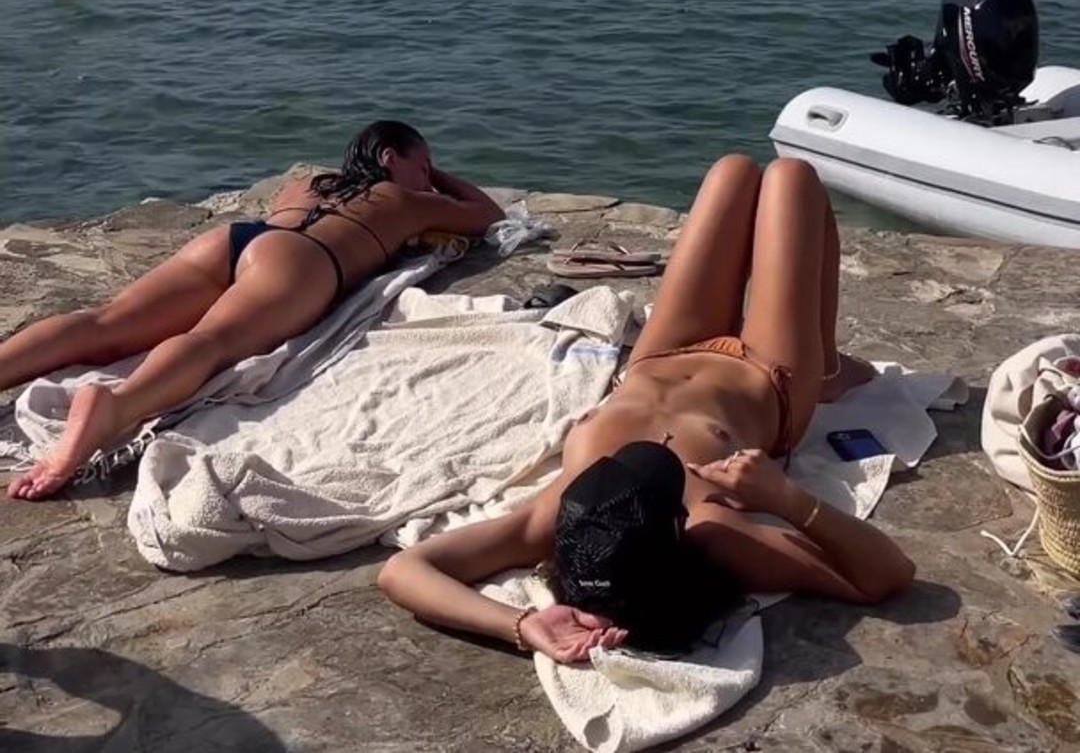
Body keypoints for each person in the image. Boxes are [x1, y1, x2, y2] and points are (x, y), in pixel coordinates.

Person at [378, 155, 914, 662]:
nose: (610, 485)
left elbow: (404, 570)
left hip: (659, 356)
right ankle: (826, 370)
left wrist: (521, 624)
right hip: (767, 375)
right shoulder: (714, 527)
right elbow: (886, 575)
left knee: (731, 172)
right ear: (673, 532)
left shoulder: (569, 514)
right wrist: (787, 499)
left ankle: (825, 363)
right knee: (791, 177)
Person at [3, 120, 503, 499]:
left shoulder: (309, 183)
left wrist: (415, 171)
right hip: (303, 262)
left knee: (104, 322)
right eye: (424, 165)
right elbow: (487, 215)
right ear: (391, 158)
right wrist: (435, 180)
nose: (427, 179)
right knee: (210, 342)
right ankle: (117, 405)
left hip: (239, 240)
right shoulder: (404, 199)